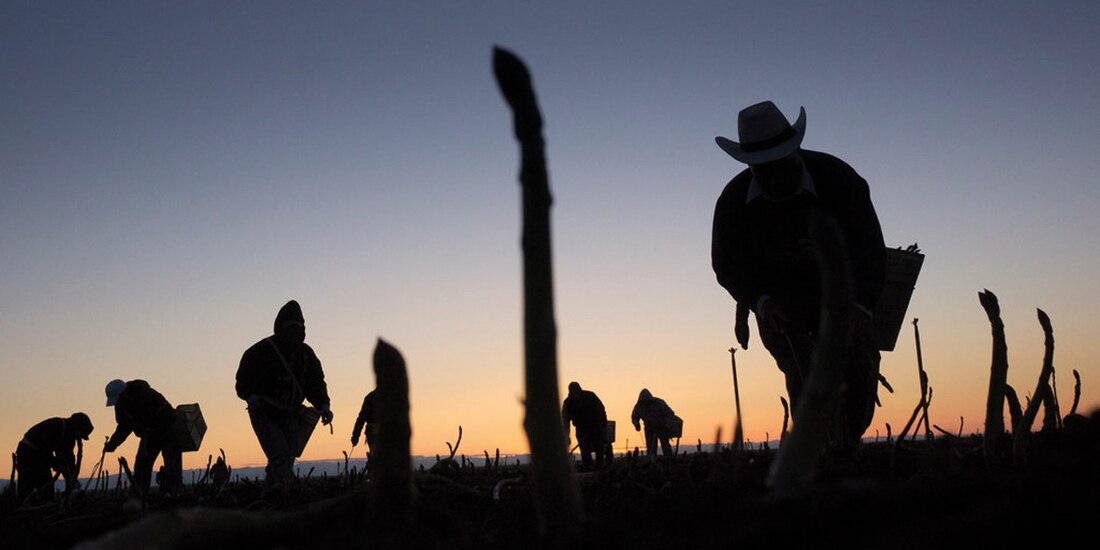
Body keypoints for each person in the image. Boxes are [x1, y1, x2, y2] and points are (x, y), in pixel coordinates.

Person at [711, 101, 885, 447]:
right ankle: (817, 451)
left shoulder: (840, 181)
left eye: (780, 164)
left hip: (843, 293)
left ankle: (845, 443)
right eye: (764, 169)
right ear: (750, 165)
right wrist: (762, 301)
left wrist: (861, 307)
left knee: (857, 377)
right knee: (802, 375)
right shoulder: (733, 202)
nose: (774, 176)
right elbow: (727, 263)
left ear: (795, 152)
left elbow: (869, 249)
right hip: (781, 306)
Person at [236, 300, 333, 484]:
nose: (294, 332)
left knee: (288, 456)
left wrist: (324, 405)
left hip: (291, 413)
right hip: (265, 412)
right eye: (290, 327)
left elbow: (315, 383)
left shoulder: (306, 354)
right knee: (279, 454)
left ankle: (281, 488)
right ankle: (281, 491)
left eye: (298, 328)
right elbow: (242, 384)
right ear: (280, 328)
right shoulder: (260, 351)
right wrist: (255, 398)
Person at [103, 379, 183, 495]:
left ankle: (174, 495)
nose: (117, 403)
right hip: (149, 435)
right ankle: (139, 495)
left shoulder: (147, 396)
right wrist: (112, 444)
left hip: (168, 432)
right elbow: (124, 427)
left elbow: (170, 416)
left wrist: (156, 431)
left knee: (172, 466)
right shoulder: (122, 406)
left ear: (123, 394)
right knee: (141, 467)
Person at [15, 413, 94, 501]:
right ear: (77, 428)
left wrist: (72, 478)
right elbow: (43, 448)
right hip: (27, 456)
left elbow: (69, 458)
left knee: (47, 492)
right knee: (27, 490)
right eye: (80, 435)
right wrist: (54, 463)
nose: (78, 438)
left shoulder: (68, 436)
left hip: (39, 459)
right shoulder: (57, 425)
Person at [561, 382, 609, 468]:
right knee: (584, 449)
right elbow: (565, 421)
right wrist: (566, 436)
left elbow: (601, 410)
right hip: (581, 429)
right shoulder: (568, 403)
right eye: (573, 391)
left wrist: (603, 424)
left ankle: (599, 466)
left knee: (599, 448)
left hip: (595, 427)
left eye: (576, 391)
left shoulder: (590, 396)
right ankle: (588, 466)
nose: (575, 393)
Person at [631, 389, 677, 457]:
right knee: (651, 447)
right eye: (644, 402)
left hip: (661, 427)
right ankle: (652, 459)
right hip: (649, 428)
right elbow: (634, 417)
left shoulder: (659, 403)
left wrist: (666, 423)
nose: (646, 404)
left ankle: (669, 459)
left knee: (665, 445)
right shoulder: (638, 406)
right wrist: (636, 424)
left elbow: (670, 413)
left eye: (647, 402)